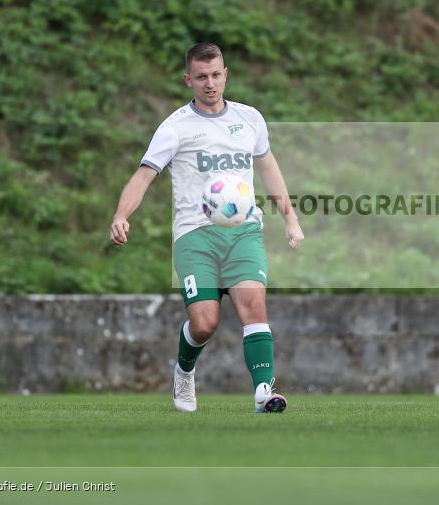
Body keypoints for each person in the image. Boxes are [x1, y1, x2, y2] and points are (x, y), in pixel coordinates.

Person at [109, 42, 304, 413]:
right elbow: (144, 175)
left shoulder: (250, 119)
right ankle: (184, 371)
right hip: (194, 235)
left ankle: (264, 392)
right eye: (201, 77)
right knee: (204, 323)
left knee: (254, 304)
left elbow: (268, 169)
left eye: (216, 75)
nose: (210, 84)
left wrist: (289, 218)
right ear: (188, 80)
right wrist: (121, 215)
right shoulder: (175, 127)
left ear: (226, 74)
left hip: (243, 230)